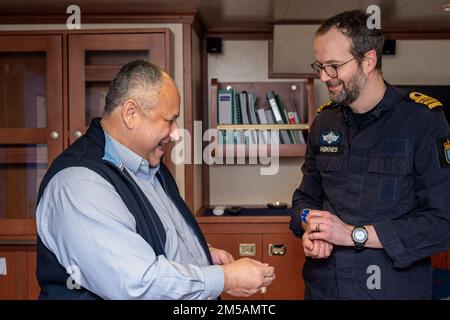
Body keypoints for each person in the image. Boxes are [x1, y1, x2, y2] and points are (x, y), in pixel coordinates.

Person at [36, 59, 275, 299]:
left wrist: (202, 255)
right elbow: (138, 284)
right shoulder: (80, 185)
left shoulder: (150, 164)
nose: (175, 133)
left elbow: (155, 239)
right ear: (131, 113)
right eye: (169, 120)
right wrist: (225, 278)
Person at [290, 10, 450, 299]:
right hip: (325, 288)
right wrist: (310, 225)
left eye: (334, 66)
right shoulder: (324, 122)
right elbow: (305, 199)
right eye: (320, 66)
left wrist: (353, 235)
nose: (325, 76)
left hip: (392, 289)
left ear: (369, 60)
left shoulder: (423, 121)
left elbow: (442, 224)